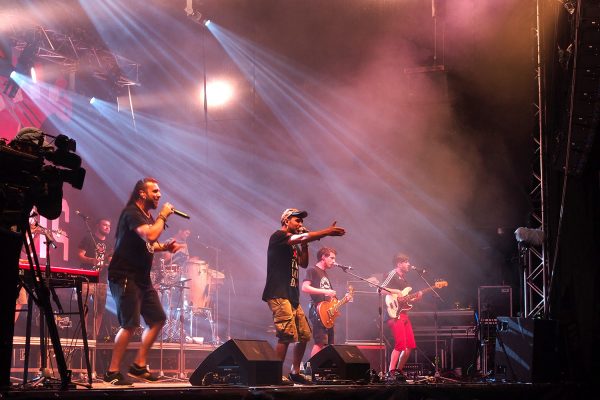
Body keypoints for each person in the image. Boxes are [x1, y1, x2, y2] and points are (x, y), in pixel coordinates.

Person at [103, 177, 184, 385]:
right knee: (129, 325)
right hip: (124, 275)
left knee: (157, 318)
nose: (159, 195)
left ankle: (139, 365)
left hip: (141, 277)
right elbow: (149, 236)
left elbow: (149, 244)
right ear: (142, 193)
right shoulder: (132, 213)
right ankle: (112, 372)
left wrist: (164, 247)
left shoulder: (146, 217)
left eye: (159, 191)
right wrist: (163, 216)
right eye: (154, 191)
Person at [262, 208, 345, 384]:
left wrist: (305, 245)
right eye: (296, 220)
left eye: (301, 221)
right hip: (278, 294)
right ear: (286, 221)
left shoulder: (293, 244)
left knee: (304, 335)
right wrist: (326, 232)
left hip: (291, 296)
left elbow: (303, 262)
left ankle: (295, 371)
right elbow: (301, 237)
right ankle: (274, 375)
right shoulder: (278, 236)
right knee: (286, 334)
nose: (300, 224)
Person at [382, 253, 422, 378]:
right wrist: (397, 292)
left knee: (410, 345)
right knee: (400, 344)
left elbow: (406, 300)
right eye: (406, 262)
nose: (408, 264)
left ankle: (399, 370)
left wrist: (416, 298)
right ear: (399, 264)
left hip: (404, 314)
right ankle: (391, 372)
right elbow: (380, 289)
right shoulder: (392, 274)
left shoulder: (405, 280)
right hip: (394, 314)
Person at [77, 218, 113, 338]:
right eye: (105, 225)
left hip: (101, 279)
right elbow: (80, 255)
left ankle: (95, 335)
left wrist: (109, 263)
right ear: (98, 225)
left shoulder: (110, 244)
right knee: (84, 306)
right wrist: (91, 260)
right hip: (87, 276)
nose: (107, 227)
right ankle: (84, 333)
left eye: (109, 226)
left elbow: (110, 260)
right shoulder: (88, 238)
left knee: (100, 308)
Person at [302, 247, 338, 357]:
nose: (334, 261)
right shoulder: (312, 270)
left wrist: (343, 300)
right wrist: (325, 291)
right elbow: (304, 288)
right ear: (323, 257)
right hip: (317, 310)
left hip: (327, 312)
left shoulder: (325, 274)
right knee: (320, 342)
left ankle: (324, 369)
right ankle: (311, 370)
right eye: (331, 258)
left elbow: (330, 296)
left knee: (329, 343)